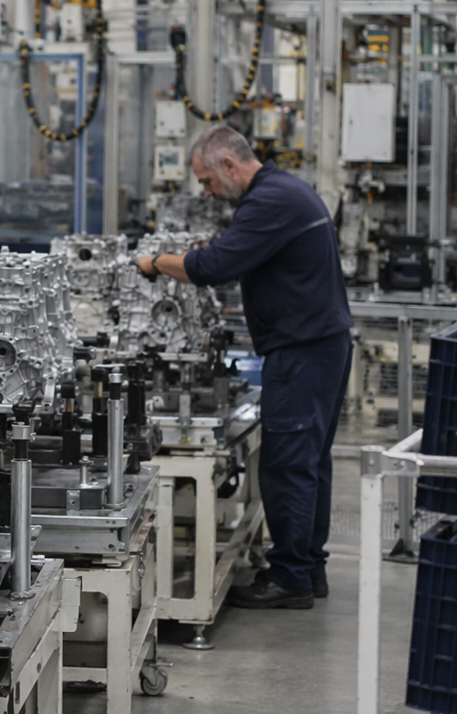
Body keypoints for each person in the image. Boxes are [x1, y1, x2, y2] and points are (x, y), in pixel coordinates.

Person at [137, 124, 353, 609]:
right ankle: (308, 568)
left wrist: (154, 262)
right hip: (322, 346)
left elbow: (213, 267)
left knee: (288, 465)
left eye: (208, 182)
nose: (208, 193)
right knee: (310, 463)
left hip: (302, 352)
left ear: (229, 166)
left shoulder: (269, 201)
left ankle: (291, 578)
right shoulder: (285, 191)